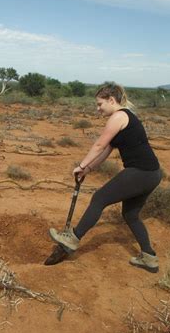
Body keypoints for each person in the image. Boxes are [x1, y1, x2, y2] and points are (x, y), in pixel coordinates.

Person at [49, 82, 162, 273]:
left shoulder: (119, 116)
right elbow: (106, 152)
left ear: (111, 100)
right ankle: (149, 258)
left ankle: (72, 238)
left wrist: (81, 165)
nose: (98, 109)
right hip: (152, 174)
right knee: (131, 215)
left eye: (100, 104)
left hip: (141, 172)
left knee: (99, 198)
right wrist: (88, 169)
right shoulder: (124, 118)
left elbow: (99, 145)